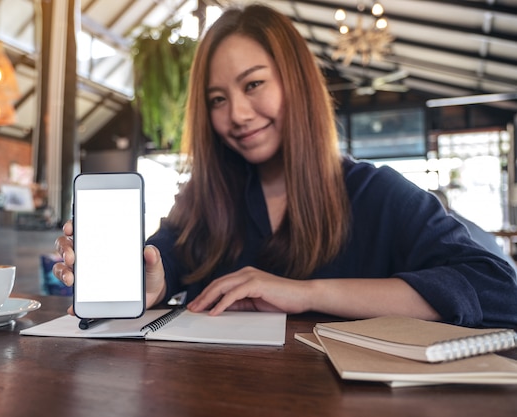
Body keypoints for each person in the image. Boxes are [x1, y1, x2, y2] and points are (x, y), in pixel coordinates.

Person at [55, 4, 517, 328]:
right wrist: (147, 284)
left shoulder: (375, 193)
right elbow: (166, 260)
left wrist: (307, 293)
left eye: (253, 84)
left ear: (296, 83)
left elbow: (497, 289)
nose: (236, 114)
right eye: (218, 100)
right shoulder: (205, 198)